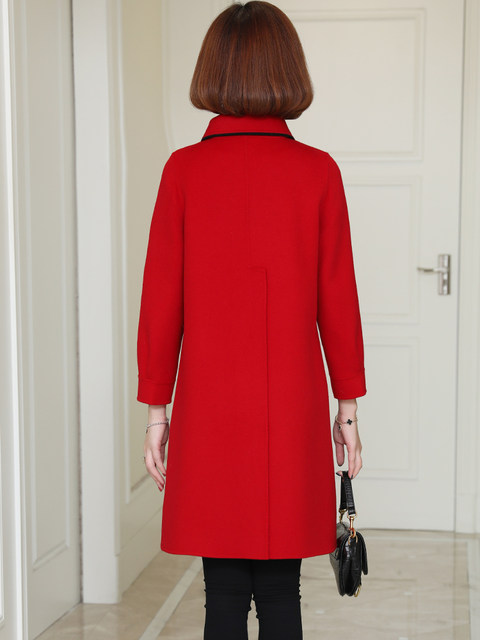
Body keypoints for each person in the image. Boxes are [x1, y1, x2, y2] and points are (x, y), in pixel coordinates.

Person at [137, 2, 367, 638]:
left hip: (209, 408)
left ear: (213, 70)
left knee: (222, 594)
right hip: (290, 408)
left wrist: (157, 412)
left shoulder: (183, 171)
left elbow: (160, 301)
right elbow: (338, 299)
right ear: (288, 71)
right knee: (283, 592)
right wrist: (347, 410)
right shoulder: (318, 172)